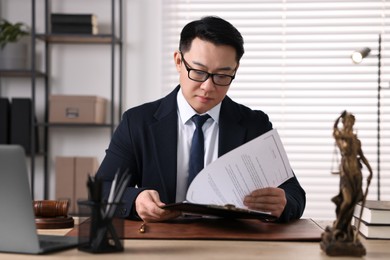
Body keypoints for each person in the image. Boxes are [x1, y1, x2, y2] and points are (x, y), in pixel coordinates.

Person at [96, 16, 306, 223]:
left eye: (222, 76)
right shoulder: (137, 122)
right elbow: (102, 190)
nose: (208, 87)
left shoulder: (254, 124)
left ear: (235, 70)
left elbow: (295, 194)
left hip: (232, 243)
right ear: (179, 61)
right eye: (198, 72)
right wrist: (135, 200)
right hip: (161, 242)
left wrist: (284, 202)